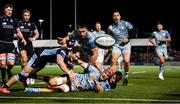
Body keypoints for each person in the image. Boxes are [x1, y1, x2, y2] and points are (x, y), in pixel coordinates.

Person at [0, 45, 82, 93]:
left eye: (78, 57)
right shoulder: (63, 51)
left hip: (44, 60)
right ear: (71, 52)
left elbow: (72, 72)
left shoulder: (71, 59)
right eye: (76, 56)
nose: (76, 58)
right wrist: (68, 72)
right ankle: (5, 86)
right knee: (24, 74)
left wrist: (76, 84)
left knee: (30, 74)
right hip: (38, 56)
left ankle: (24, 79)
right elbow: (60, 62)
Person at [24, 58, 122, 93]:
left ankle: (33, 90)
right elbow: (82, 63)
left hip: (75, 87)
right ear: (104, 71)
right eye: (105, 73)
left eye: (107, 76)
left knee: (62, 89)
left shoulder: (104, 84)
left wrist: (96, 82)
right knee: (52, 82)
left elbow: (100, 90)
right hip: (73, 78)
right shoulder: (95, 70)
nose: (105, 75)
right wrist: (75, 59)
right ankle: (33, 76)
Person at [0, 4, 26, 84]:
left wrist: (23, 38)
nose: (9, 11)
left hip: (10, 44)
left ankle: (8, 70)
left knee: (11, 63)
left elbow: (18, 31)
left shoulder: (14, 21)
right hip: (1, 43)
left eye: (11, 10)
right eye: (8, 10)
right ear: (4, 10)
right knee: (3, 63)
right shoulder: (0, 19)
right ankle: (4, 79)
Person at [107, 11, 134, 86]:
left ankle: (126, 75)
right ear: (112, 17)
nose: (116, 17)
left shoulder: (125, 23)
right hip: (116, 45)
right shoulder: (110, 27)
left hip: (126, 45)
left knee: (126, 61)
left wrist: (128, 38)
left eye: (117, 15)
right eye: (114, 16)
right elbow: (109, 38)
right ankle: (111, 78)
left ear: (120, 17)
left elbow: (134, 30)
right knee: (113, 60)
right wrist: (107, 48)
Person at [18, 9, 39, 84]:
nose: (27, 17)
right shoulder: (19, 23)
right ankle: (24, 77)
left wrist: (33, 38)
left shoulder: (32, 23)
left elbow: (37, 33)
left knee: (31, 61)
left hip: (29, 44)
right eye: (25, 15)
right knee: (24, 59)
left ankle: (30, 75)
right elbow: (16, 32)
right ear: (23, 16)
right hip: (22, 43)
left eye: (28, 15)